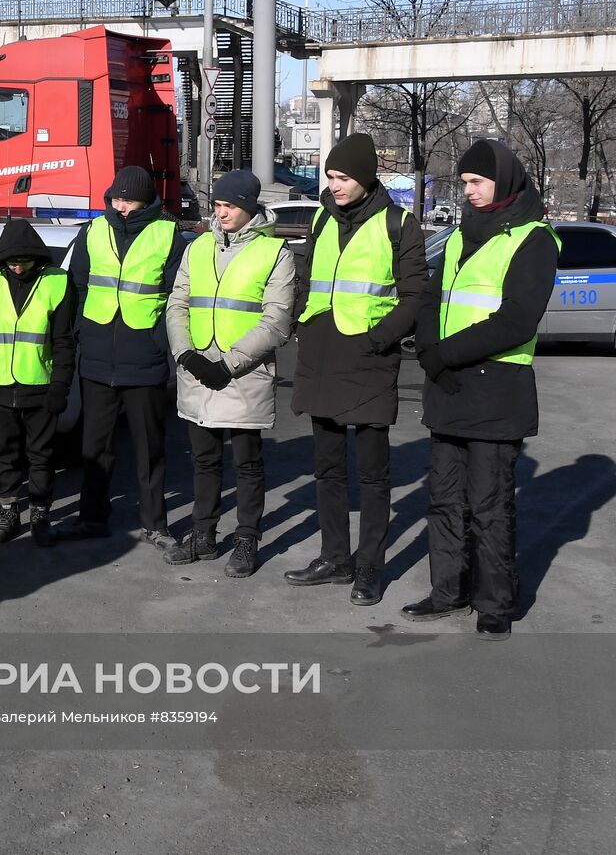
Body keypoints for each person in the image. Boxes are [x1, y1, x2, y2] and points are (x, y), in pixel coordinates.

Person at [407, 140, 558, 640]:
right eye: (465, 183)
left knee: (490, 504)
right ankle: (447, 590)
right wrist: (429, 350)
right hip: (448, 385)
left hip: (496, 390)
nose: (467, 191)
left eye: (476, 182)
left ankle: (495, 604)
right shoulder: (458, 236)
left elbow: (517, 320)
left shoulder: (533, 240)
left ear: (504, 182)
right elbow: (432, 299)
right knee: (445, 499)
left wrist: (444, 354)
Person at [283, 133, 428, 606]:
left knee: (371, 474)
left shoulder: (399, 224)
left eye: (343, 177)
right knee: (327, 469)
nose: (335, 185)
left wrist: (379, 339)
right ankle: (334, 558)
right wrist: (301, 318)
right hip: (321, 354)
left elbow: (414, 296)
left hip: (368, 358)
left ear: (365, 177)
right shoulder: (323, 217)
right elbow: (307, 278)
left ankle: (369, 568)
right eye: (330, 176)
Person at [165, 170, 296, 578]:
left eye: (230, 206)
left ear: (249, 208)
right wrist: (186, 354)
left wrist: (230, 364)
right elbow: (177, 303)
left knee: (247, 463)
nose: (221, 213)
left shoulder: (275, 252)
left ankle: (246, 539)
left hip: (243, 374)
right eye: (218, 205)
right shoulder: (199, 247)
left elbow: (276, 321)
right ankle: (202, 534)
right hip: (198, 371)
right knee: (203, 461)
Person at [59, 165, 188, 562]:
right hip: (97, 356)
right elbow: (78, 285)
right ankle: (92, 518)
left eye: (129, 200)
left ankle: (155, 525)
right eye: (116, 199)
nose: (122, 207)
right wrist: (82, 330)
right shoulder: (93, 231)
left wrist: (160, 341)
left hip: (144, 357)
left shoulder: (169, 236)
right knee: (94, 448)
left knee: (150, 448)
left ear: (147, 200)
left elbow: (177, 295)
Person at [0, 218, 75, 547]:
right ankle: (8, 513)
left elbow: (65, 341)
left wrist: (60, 386)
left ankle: (41, 514)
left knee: (41, 456)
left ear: (36, 257)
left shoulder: (58, 282)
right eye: (11, 262)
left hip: (40, 387)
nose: (16, 268)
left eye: (23, 261)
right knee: (6, 454)